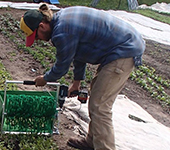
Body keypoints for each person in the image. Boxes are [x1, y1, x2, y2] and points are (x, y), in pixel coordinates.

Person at [20, 3, 145, 150]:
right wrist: (76, 82)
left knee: (100, 106)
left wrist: (44, 79)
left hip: (124, 50)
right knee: (96, 99)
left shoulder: (62, 32)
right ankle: (91, 142)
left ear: (42, 26)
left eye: (36, 37)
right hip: (118, 48)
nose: (38, 40)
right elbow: (79, 53)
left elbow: (61, 67)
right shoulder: (62, 20)